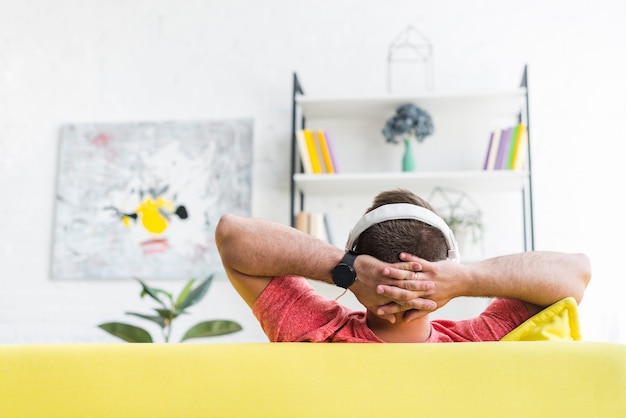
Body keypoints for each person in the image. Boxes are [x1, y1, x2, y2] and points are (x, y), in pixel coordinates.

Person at [215, 189, 591, 343]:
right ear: (447, 264)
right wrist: (465, 279)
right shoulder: (480, 342)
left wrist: (344, 268)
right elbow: (576, 274)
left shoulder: (315, 332)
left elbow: (231, 236)